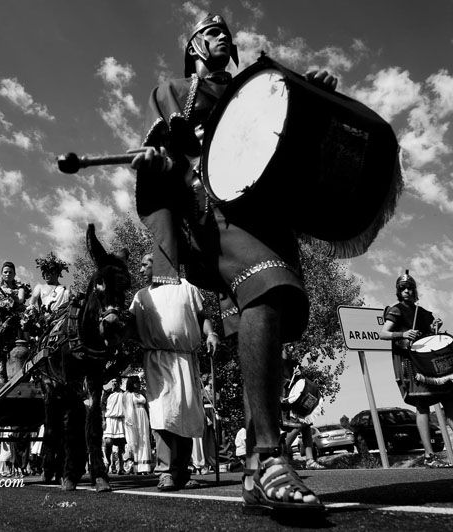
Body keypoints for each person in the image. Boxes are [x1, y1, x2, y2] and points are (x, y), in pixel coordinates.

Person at [131, 14, 338, 512]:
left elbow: (272, 126)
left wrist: (308, 96)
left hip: (265, 208)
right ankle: (269, 456)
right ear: (195, 45)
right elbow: (176, 144)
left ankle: (252, 475)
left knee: (266, 312)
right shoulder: (175, 89)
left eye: (228, 31)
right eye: (213, 31)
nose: (225, 36)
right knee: (266, 288)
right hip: (212, 212)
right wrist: (161, 159)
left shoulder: (255, 84)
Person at [380, 270, 453, 468]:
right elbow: (383, 334)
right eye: (403, 288)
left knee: (450, 399)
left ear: (415, 290)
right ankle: (429, 456)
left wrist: (435, 327)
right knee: (422, 405)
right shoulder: (396, 310)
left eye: (410, 288)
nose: (407, 291)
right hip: (412, 365)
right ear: (398, 291)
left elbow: (429, 337)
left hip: (431, 363)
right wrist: (403, 334)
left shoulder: (424, 312)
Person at [128, 253, 219, 491]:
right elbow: (128, 326)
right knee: (163, 413)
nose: (140, 270)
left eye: (144, 264)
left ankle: (182, 472)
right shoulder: (141, 296)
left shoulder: (187, 287)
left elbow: (202, 317)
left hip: (187, 359)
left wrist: (211, 334)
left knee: (186, 413)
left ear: (159, 265)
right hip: (157, 358)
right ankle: (165, 471)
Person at [281, 360, 324, 470]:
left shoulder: (294, 362)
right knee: (297, 427)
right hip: (285, 400)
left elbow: (302, 379)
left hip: (299, 399)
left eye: (292, 346)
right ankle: (279, 453)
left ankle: (309, 460)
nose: (291, 347)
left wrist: (300, 374)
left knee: (306, 427)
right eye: (288, 346)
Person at [0, 261, 28, 383]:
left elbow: (21, 301)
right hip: (0, 325)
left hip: (15, 325)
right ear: (1, 275)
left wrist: (13, 296)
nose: (8, 274)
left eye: (10, 272)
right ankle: (0, 376)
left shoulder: (19, 289)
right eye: (5, 272)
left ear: (14, 274)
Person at [123, 376, 153, 474]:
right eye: (136, 382)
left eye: (138, 382)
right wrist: (130, 421)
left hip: (143, 416)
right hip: (134, 417)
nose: (138, 384)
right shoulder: (128, 394)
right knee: (136, 440)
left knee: (145, 438)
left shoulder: (142, 394)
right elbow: (127, 410)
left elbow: (147, 407)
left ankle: (145, 466)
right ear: (132, 383)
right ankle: (136, 467)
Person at [102, 378, 127, 475]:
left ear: (119, 383)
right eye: (112, 381)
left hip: (121, 420)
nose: (114, 383)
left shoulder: (124, 394)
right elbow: (103, 407)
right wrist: (103, 420)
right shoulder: (107, 393)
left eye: (116, 381)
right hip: (110, 420)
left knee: (121, 445)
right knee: (108, 442)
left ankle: (121, 467)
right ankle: (107, 463)